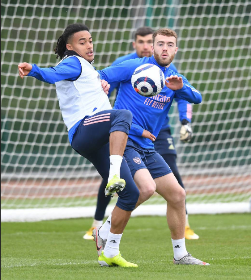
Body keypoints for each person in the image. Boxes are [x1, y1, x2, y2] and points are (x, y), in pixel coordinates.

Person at [18, 23, 140, 268]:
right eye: (82, 41)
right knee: (122, 114)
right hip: (83, 130)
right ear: (70, 47)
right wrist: (33, 70)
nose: (89, 45)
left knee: (131, 194)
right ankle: (114, 175)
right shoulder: (72, 62)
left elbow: (103, 110)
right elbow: (51, 74)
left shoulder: (88, 71)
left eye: (90, 40)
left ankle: (110, 251)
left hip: (97, 137)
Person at [95, 28, 209, 265]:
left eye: (169, 44)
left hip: (148, 147)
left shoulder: (175, 77)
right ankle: (107, 235)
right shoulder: (133, 67)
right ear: (152, 47)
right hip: (125, 141)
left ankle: (181, 255)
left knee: (178, 195)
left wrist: (182, 89)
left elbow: (197, 97)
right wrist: (103, 85)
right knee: (145, 189)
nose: (164, 48)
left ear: (176, 49)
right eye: (160, 44)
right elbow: (101, 75)